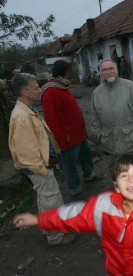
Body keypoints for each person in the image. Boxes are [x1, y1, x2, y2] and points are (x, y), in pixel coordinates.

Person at [8, 73, 75, 246]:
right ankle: (55, 237)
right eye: (36, 87)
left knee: (46, 199)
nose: (40, 90)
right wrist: (43, 171)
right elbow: (26, 153)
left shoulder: (27, 109)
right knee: (50, 200)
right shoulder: (21, 117)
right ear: (25, 92)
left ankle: (52, 230)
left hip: (41, 165)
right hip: (38, 168)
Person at [41, 60, 102, 198]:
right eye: (69, 69)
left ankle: (89, 175)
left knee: (86, 156)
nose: (70, 71)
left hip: (79, 134)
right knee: (70, 166)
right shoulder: (50, 91)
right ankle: (74, 188)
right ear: (66, 71)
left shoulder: (62, 85)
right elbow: (51, 121)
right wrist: (61, 142)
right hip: (67, 139)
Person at [90, 58, 133, 155]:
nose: (108, 72)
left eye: (111, 68)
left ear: (117, 69)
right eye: (104, 70)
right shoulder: (96, 93)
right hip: (110, 147)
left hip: (132, 145)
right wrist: (101, 137)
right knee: (116, 170)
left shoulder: (131, 87)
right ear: (101, 73)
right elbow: (94, 120)